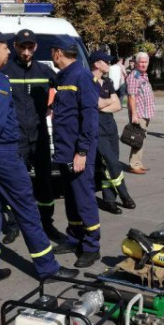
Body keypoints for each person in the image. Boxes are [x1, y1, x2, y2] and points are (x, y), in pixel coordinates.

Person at [0, 27, 78, 287]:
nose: (9, 51)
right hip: (3, 153)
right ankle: (48, 268)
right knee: (27, 210)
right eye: (6, 47)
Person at [3, 28, 66, 244]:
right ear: (15, 46)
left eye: (30, 48)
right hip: (15, 137)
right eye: (23, 47)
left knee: (44, 182)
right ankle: (13, 225)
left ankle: (47, 224)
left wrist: (52, 106)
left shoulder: (44, 71)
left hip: (39, 136)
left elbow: (65, 91)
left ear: (36, 47)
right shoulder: (6, 71)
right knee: (15, 183)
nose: (27, 52)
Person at [49, 36, 101, 268]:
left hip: (78, 151)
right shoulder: (64, 76)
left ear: (58, 53)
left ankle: (91, 247)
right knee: (71, 198)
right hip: (64, 149)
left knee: (84, 199)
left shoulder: (81, 76)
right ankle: (74, 237)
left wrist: (82, 151)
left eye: (51, 51)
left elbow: (89, 117)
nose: (51, 55)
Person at [90, 50, 136, 215]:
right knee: (112, 162)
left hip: (110, 126)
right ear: (97, 64)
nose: (109, 64)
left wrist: (103, 103)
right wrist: (105, 102)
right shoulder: (88, 82)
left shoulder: (107, 81)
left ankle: (109, 200)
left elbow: (118, 105)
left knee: (110, 163)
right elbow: (93, 104)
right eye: (106, 62)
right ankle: (124, 195)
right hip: (96, 127)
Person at [126, 52, 155, 174]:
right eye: (141, 62)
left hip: (145, 113)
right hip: (138, 114)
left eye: (145, 62)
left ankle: (138, 162)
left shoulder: (143, 75)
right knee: (137, 139)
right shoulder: (134, 76)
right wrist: (134, 115)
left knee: (141, 138)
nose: (143, 64)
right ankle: (134, 164)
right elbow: (131, 97)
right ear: (137, 63)